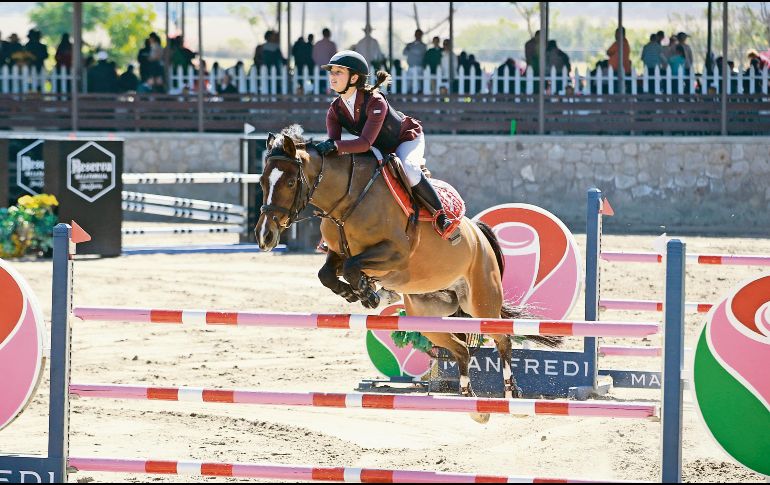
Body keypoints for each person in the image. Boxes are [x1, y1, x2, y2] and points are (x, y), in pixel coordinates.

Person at [315, 50, 459, 244]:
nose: (332, 76)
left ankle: (442, 218)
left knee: (409, 169)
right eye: (331, 72)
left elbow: (362, 143)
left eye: (338, 72)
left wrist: (334, 146)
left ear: (354, 78)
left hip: (405, 139)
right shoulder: (335, 109)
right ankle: (333, 231)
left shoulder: (375, 101)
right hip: (378, 146)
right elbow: (335, 149)